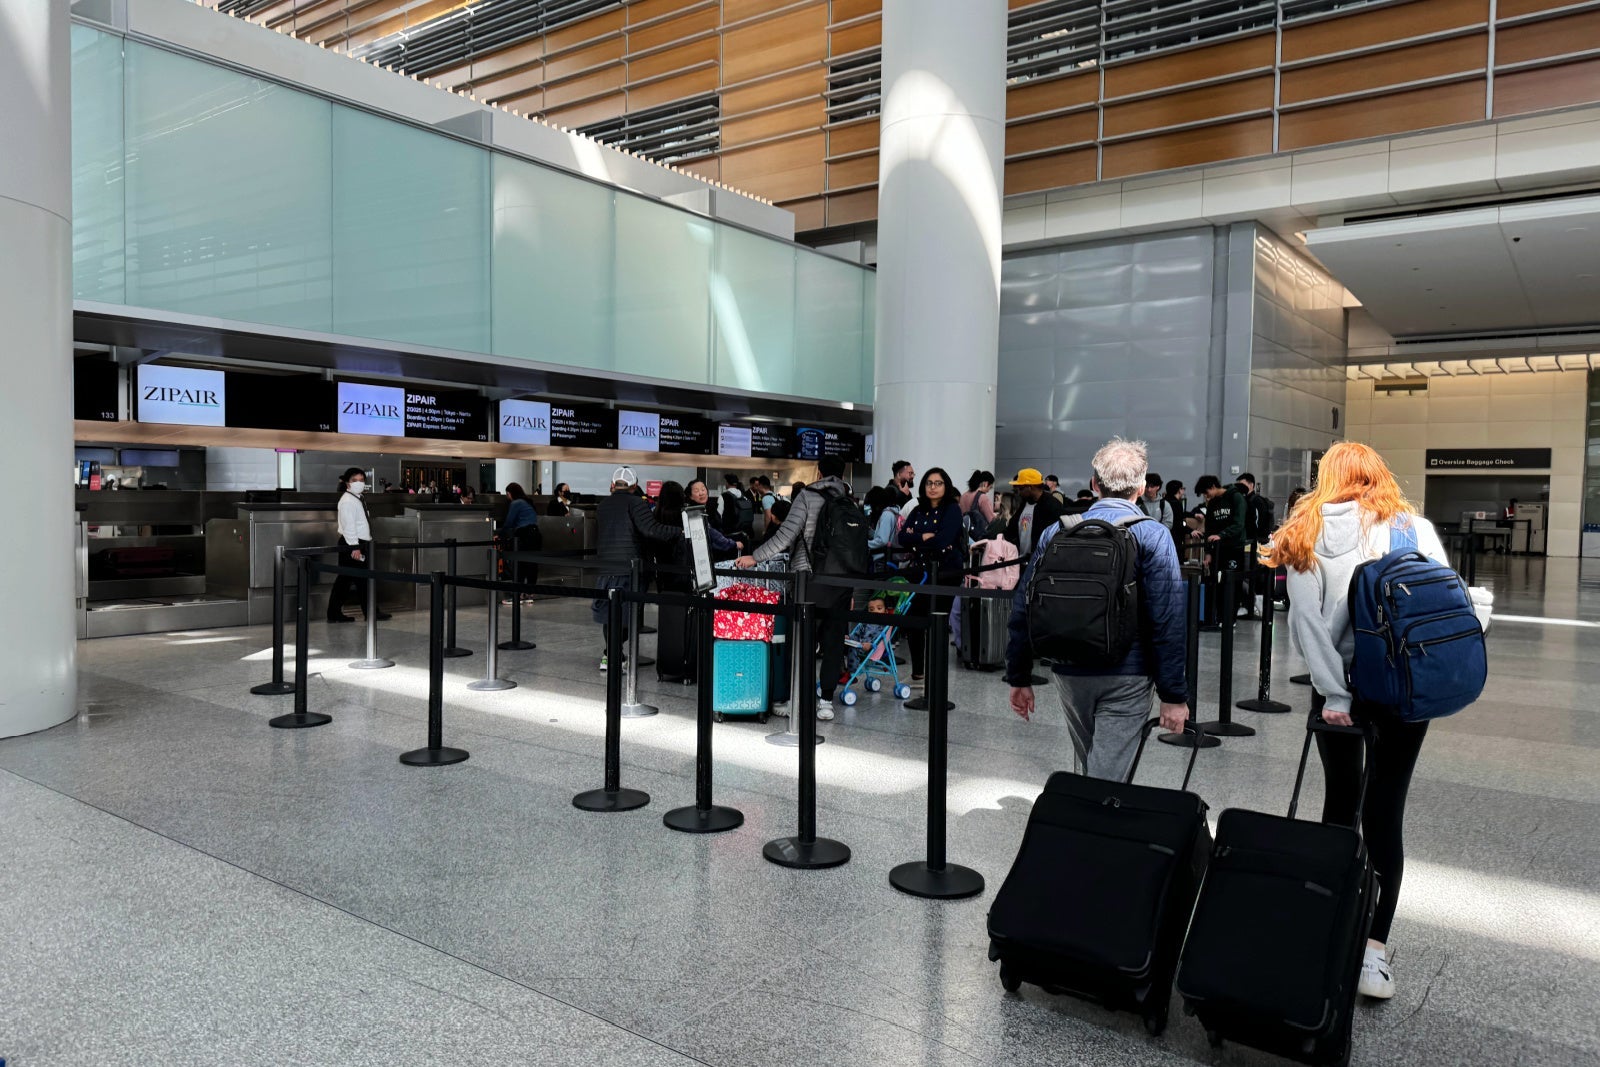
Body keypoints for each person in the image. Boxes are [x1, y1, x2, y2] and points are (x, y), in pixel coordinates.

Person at [1265, 441, 1450, 1002]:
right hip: (1403, 690)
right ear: (1378, 475)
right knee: (1385, 812)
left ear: (1327, 478)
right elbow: (1446, 604)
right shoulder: (1414, 530)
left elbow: (1307, 626)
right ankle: (1374, 954)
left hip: (1339, 693)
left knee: (1339, 804)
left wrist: (1333, 693)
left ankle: (1327, 926)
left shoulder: (1305, 529)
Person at [1005, 438, 1188, 781]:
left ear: (1094, 484)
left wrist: (1019, 675)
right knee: (1108, 776)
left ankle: (1085, 822)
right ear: (1141, 485)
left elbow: (1023, 606)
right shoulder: (1152, 535)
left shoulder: (1056, 532)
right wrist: (1173, 695)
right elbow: (1168, 619)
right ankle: (1093, 827)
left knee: (1089, 762)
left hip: (1068, 668)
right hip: (1128, 672)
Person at [735, 455, 854, 720]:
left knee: (801, 639)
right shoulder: (848, 498)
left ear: (819, 472)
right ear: (843, 475)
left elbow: (785, 535)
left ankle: (796, 700)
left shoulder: (808, 496)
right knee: (833, 641)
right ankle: (825, 701)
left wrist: (755, 556)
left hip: (807, 578)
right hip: (841, 580)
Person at [594, 467, 682, 671]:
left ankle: (610, 654)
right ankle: (613, 655)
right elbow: (650, 529)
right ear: (634, 486)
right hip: (630, 569)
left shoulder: (603, 505)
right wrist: (679, 531)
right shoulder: (636, 503)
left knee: (610, 614)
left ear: (613, 484)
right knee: (627, 616)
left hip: (607, 567)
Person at [897, 467, 965, 684]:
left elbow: (943, 540)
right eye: (929, 483)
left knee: (937, 621)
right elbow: (901, 537)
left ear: (946, 486)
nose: (933, 487)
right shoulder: (917, 510)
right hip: (920, 572)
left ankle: (936, 673)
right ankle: (918, 670)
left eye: (938, 483)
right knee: (913, 620)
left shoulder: (952, 509)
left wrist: (917, 538)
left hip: (945, 572)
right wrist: (924, 537)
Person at [326, 468, 389, 624]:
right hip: (353, 543)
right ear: (347, 482)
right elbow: (349, 526)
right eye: (355, 480)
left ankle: (337, 613)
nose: (359, 483)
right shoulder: (347, 501)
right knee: (355, 580)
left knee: (350, 580)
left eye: (362, 480)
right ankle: (368, 612)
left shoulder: (357, 498)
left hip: (358, 543)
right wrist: (355, 547)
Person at [1197, 473, 1247, 622]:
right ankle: (1217, 616)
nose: (1206, 497)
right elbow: (1209, 529)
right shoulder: (1212, 504)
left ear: (1213, 487)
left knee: (1233, 584)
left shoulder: (1236, 497)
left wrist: (1223, 535)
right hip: (1218, 551)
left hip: (1234, 548)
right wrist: (1208, 553)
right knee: (1216, 584)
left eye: (1206, 493)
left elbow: (1239, 524)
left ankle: (1230, 618)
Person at [1004, 468, 1065, 557]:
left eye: (1020, 489)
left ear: (1030, 487)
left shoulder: (1052, 505)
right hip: (1021, 560)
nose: (1018, 492)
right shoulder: (1025, 503)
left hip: (1040, 561)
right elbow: (1012, 529)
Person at [500, 482, 541, 603]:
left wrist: (501, 534)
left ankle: (517, 594)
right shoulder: (528, 502)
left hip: (524, 535)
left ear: (510, 493)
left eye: (507, 494)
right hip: (535, 534)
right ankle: (529, 593)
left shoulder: (516, 503)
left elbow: (509, 522)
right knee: (532, 564)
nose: (507, 497)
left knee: (520, 565)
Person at [687, 479, 742, 558]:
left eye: (703, 489)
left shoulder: (711, 507)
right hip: (705, 554)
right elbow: (712, 534)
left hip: (717, 551)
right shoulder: (694, 513)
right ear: (691, 496)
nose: (701, 493)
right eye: (696, 491)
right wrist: (733, 544)